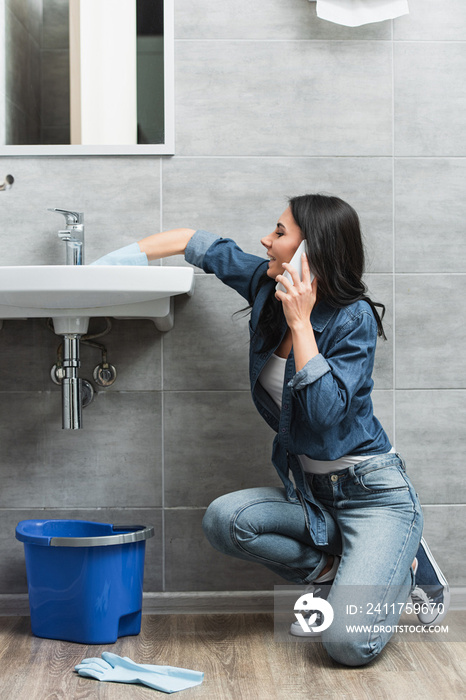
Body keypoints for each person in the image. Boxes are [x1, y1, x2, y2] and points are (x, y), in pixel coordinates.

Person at [93, 193, 450, 666]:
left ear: (311, 251)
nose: (266, 238)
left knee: (346, 645)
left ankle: (404, 564)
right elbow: (195, 242)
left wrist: (301, 323)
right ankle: (335, 565)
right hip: (311, 492)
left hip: (373, 493)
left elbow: (324, 414)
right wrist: (109, 264)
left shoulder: (353, 318)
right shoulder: (266, 286)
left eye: (280, 233)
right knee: (225, 519)